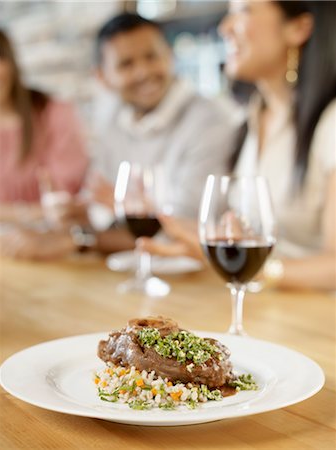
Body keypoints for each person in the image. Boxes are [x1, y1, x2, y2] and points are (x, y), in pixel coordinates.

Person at [139, 0, 336, 291]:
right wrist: (207, 241)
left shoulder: (330, 122)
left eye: (243, 11)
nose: (225, 27)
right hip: (264, 310)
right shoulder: (250, 119)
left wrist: (253, 268)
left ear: (298, 28)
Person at [89, 12, 234, 219]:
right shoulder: (110, 123)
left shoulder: (210, 119)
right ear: (102, 77)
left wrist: (122, 211)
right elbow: (97, 204)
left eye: (151, 56)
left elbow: (191, 218)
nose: (143, 72)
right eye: (126, 64)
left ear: (170, 55)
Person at [0, 29, 89, 225]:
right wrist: (27, 212)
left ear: (11, 63)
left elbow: (63, 201)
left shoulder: (54, 112)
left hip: (52, 238)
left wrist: (12, 213)